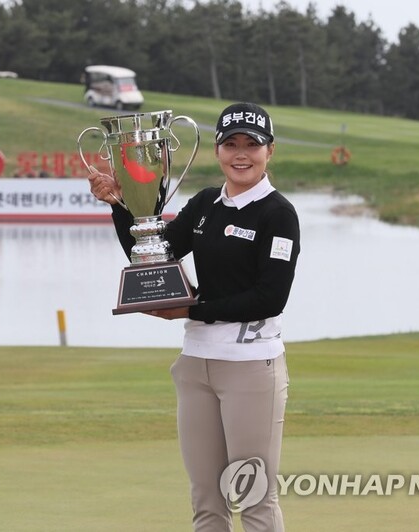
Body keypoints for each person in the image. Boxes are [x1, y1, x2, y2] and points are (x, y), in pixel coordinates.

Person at [87, 102, 300, 532]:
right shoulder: (205, 205)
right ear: (218, 150)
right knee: (206, 500)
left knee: (254, 497)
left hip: (250, 368)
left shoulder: (278, 214)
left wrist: (191, 309)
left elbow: (269, 298)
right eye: (231, 144)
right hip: (196, 365)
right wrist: (118, 204)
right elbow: (148, 253)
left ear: (269, 152)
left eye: (251, 145)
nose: (241, 154)